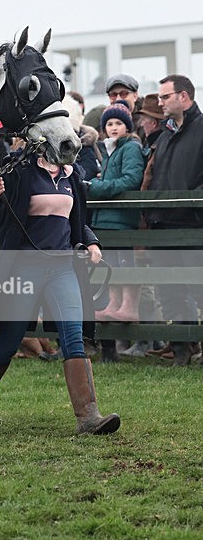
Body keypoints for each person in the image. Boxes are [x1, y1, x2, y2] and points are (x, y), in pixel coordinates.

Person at [0, 145, 120, 436]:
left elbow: (77, 220)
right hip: (24, 268)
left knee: (73, 336)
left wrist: (92, 241)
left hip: (63, 268)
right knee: (9, 343)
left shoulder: (72, 176)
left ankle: (88, 417)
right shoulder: (19, 171)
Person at [144, 74, 203, 366]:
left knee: (199, 288)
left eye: (165, 96)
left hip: (193, 227)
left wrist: (191, 206)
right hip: (162, 226)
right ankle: (181, 348)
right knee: (170, 290)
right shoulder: (165, 135)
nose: (160, 102)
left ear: (184, 96)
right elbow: (157, 178)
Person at [89, 101, 145, 324]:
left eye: (119, 123)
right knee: (110, 263)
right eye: (109, 123)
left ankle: (129, 306)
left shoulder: (130, 147)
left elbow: (131, 179)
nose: (113, 127)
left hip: (121, 217)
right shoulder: (109, 148)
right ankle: (114, 303)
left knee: (125, 262)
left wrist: (95, 187)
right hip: (107, 217)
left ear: (127, 127)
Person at [121, 94, 167, 357]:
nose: (143, 123)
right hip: (148, 220)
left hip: (153, 221)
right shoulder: (153, 144)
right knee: (152, 282)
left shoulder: (156, 144)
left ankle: (152, 338)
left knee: (150, 283)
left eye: (146, 119)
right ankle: (156, 339)